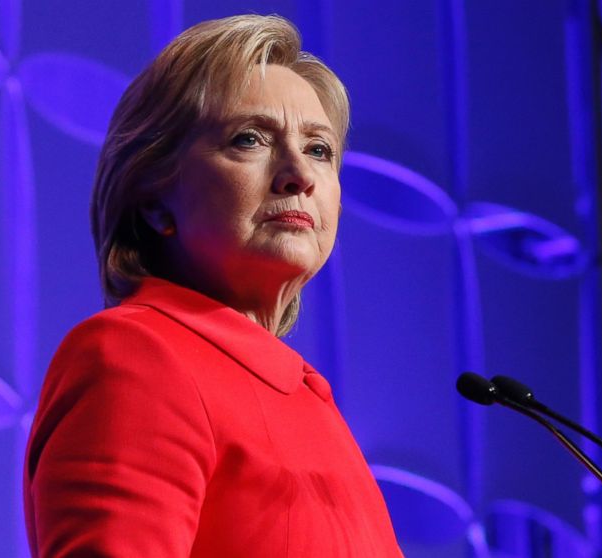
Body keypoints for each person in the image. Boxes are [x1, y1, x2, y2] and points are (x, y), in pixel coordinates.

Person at [23, 14, 404, 557]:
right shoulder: (136, 356)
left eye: (320, 149)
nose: (299, 172)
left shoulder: (310, 402)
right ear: (154, 200)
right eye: (248, 139)